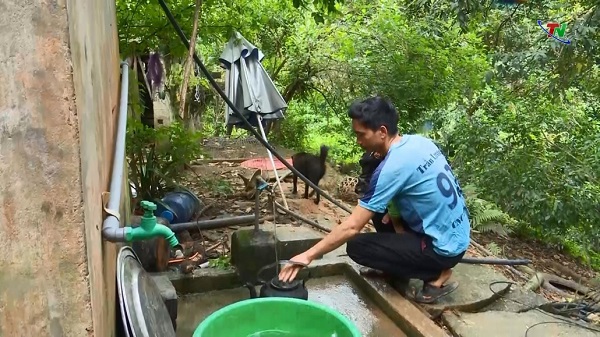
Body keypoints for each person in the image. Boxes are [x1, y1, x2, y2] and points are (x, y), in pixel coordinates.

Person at [278, 96, 471, 304]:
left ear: (382, 132)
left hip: (443, 249)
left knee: (356, 247)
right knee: (379, 211)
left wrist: (307, 256)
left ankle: (435, 275)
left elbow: (352, 226)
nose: (358, 141)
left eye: (361, 134)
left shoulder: (392, 167)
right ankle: (399, 269)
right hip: (457, 234)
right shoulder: (420, 143)